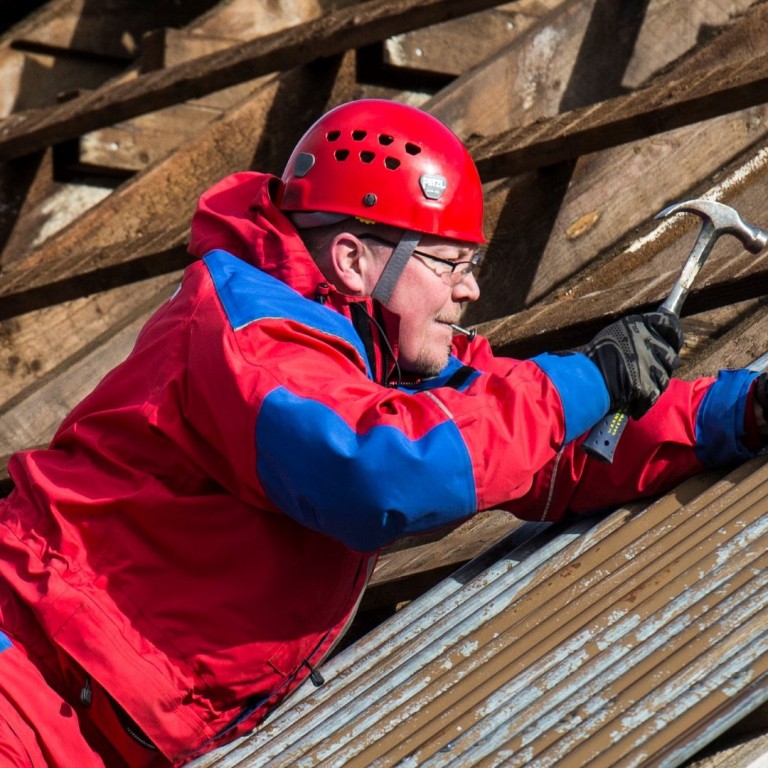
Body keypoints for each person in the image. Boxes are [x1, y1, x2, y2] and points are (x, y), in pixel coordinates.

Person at [0, 98, 765, 767]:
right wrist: (586, 378)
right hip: (23, 686)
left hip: (80, 715)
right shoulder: (245, 328)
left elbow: (537, 449)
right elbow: (382, 473)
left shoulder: (379, 357)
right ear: (353, 259)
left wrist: (737, 412)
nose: (470, 288)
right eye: (449, 262)